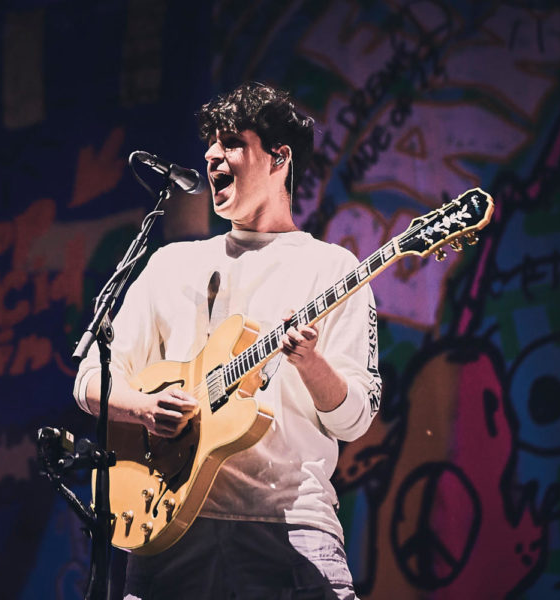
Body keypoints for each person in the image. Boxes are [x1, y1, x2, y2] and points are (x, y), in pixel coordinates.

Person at [73, 82, 382, 599]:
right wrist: (146, 408)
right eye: (210, 145)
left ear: (279, 158)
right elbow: (89, 383)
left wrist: (309, 362)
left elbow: (354, 419)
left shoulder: (332, 269)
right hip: (168, 526)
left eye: (232, 142)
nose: (213, 155)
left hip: (291, 526)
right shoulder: (172, 265)